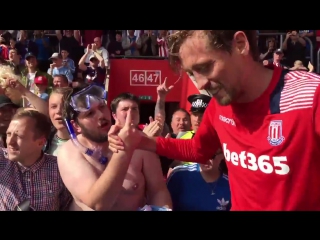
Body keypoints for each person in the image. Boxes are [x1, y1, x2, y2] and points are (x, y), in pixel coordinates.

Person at [108, 30, 320, 211]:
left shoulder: (311, 96)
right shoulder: (220, 106)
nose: (201, 84)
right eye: (192, 73)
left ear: (240, 44)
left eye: (205, 67)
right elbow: (198, 150)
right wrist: (142, 141)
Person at [57, 87, 171, 211]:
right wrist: (124, 151)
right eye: (90, 113)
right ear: (76, 126)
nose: (101, 115)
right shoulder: (70, 152)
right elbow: (98, 204)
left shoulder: (138, 141)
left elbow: (158, 191)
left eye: (101, 107)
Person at [0, 110, 72, 210]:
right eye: (8, 134)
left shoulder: (59, 168)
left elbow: (68, 206)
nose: (10, 142)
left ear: (40, 142)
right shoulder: (2, 161)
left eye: (19, 136)